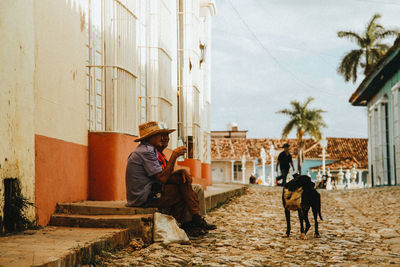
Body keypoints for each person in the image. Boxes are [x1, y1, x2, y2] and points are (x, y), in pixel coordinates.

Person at [125, 121, 215, 237]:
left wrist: (181, 173)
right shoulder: (146, 151)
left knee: (183, 179)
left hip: (152, 191)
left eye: (167, 135)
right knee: (182, 189)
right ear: (150, 138)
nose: (165, 138)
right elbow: (162, 178)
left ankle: (193, 220)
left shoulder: (154, 152)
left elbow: (164, 176)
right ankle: (192, 221)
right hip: (143, 197)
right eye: (161, 135)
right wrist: (174, 156)